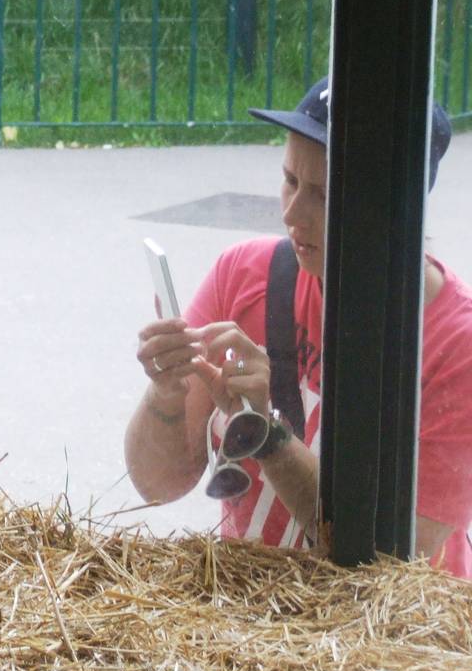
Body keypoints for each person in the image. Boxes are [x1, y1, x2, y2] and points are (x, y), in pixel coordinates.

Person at [125, 77, 472, 576]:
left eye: (324, 194)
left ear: (396, 208)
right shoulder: (243, 276)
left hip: (385, 646)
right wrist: (164, 394)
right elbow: (156, 485)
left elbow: (387, 562)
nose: (291, 213)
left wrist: (265, 437)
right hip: (257, 621)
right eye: (290, 180)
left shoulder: (455, 345)